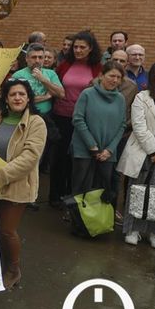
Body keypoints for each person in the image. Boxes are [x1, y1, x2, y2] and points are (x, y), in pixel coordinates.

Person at [0, 79, 46, 289]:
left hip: (16, 184)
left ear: (28, 98)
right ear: (6, 99)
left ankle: (13, 270)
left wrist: (1, 174)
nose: (17, 98)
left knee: (7, 230)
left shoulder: (36, 123)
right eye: (13, 94)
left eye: (22, 94)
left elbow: (29, 158)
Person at [117, 60, 155, 248]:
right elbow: (139, 126)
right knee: (137, 189)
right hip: (143, 149)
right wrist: (153, 151)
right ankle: (133, 229)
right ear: (153, 79)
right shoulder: (142, 97)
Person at [50, 31, 103, 207]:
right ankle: (55, 196)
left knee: (78, 160)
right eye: (75, 47)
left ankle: (72, 197)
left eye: (82, 47)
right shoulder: (65, 65)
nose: (78, 50)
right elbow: (55, 87)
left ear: (91, 49)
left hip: (84, 120)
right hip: (61, 116)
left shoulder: (98, 68)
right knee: (59, 158)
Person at [69, 61, 127, 202]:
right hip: (84, 150)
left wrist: (110, 150)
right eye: (111, 75)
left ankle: (97, 222)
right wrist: (92, 146)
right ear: (101, 75)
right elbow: (78, 119)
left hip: (107, 153)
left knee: (102, 191)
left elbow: (122, 125)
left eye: (119, 77)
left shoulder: (120, 99)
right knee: (80, 188)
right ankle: (77, 220)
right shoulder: (87, 94)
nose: (115, 80)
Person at [12, 44, 65, 116]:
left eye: (40, 57)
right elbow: (19, 100)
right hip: (26, 115)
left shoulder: (50, 73)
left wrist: (43, 80)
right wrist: (45, 97)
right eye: (34, 57)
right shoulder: (18, 75)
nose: (37, 60)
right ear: (27, 58)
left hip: (46, 115)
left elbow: (61, 94)